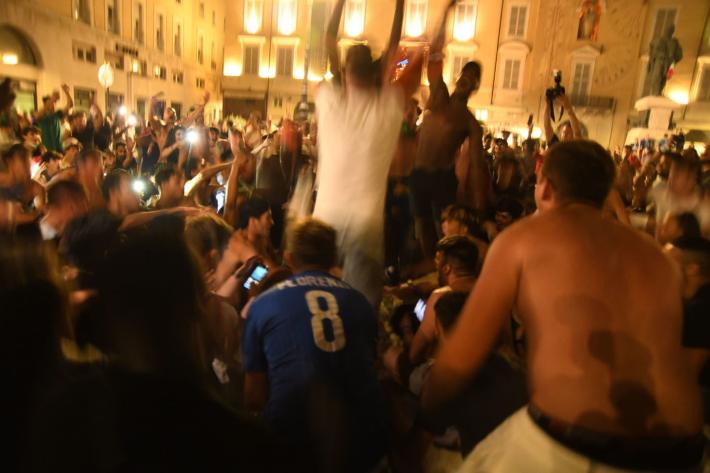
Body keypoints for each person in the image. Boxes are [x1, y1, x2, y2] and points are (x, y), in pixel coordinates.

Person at [423, 141, 704, 472]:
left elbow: (458, 361)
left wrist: (425, 414)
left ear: (545, 187)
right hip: (685, 448)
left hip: (578, 441)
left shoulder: (523, 239)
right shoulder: (658, 257)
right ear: (604, 193)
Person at [242, 218, 388, 473]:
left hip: (290, 440)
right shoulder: (359, 301)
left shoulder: (263, 303)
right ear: (334, 258)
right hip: (360, 440)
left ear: (289, 257)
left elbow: (254, 397)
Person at [314, 0, 421, 307]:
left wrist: (339, 3)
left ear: (344, 71)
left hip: (324, 222)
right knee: (360, 309)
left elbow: (327, 40)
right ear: (376, 73)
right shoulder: (390, 106)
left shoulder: (327, 99)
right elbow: (395, 52)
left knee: (318, 303)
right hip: (366, 228)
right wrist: (400, 5)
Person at [411, 0, 485, 259]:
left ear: (475, 87)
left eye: (473, 78)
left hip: (441, 178)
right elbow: (434, 53)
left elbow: (477, 165)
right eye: (466, 73)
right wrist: (445, 12)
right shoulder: (439, 94)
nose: (468, 78)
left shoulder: (469, 122)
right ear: (459, 76)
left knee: (443, 230)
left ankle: (444, 265)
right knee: (420, 228)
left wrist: (482, 210)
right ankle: (431, 266)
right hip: (418, 173)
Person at [409, 235, 478, 365]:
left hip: (456, 370)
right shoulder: (490, 289)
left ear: (447, 268)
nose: (436, 268)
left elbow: (415, 353)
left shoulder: (440, 296)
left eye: (437, 263)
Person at [654, 153, 710, 239]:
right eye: (670, 175)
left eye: (676, 176)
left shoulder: (704, 209)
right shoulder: (664, 196)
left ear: (692, 180)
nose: (670, 180)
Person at [36, 84, 73, 153]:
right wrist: (52, 99)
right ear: (45, 105)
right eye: (51, 102)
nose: (53, 104)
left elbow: (70, 106)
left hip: (59, 148)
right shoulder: (41, 116)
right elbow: (37, 116)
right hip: (47, 149)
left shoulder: (57, 114)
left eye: (54, 103)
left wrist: (67, 92)